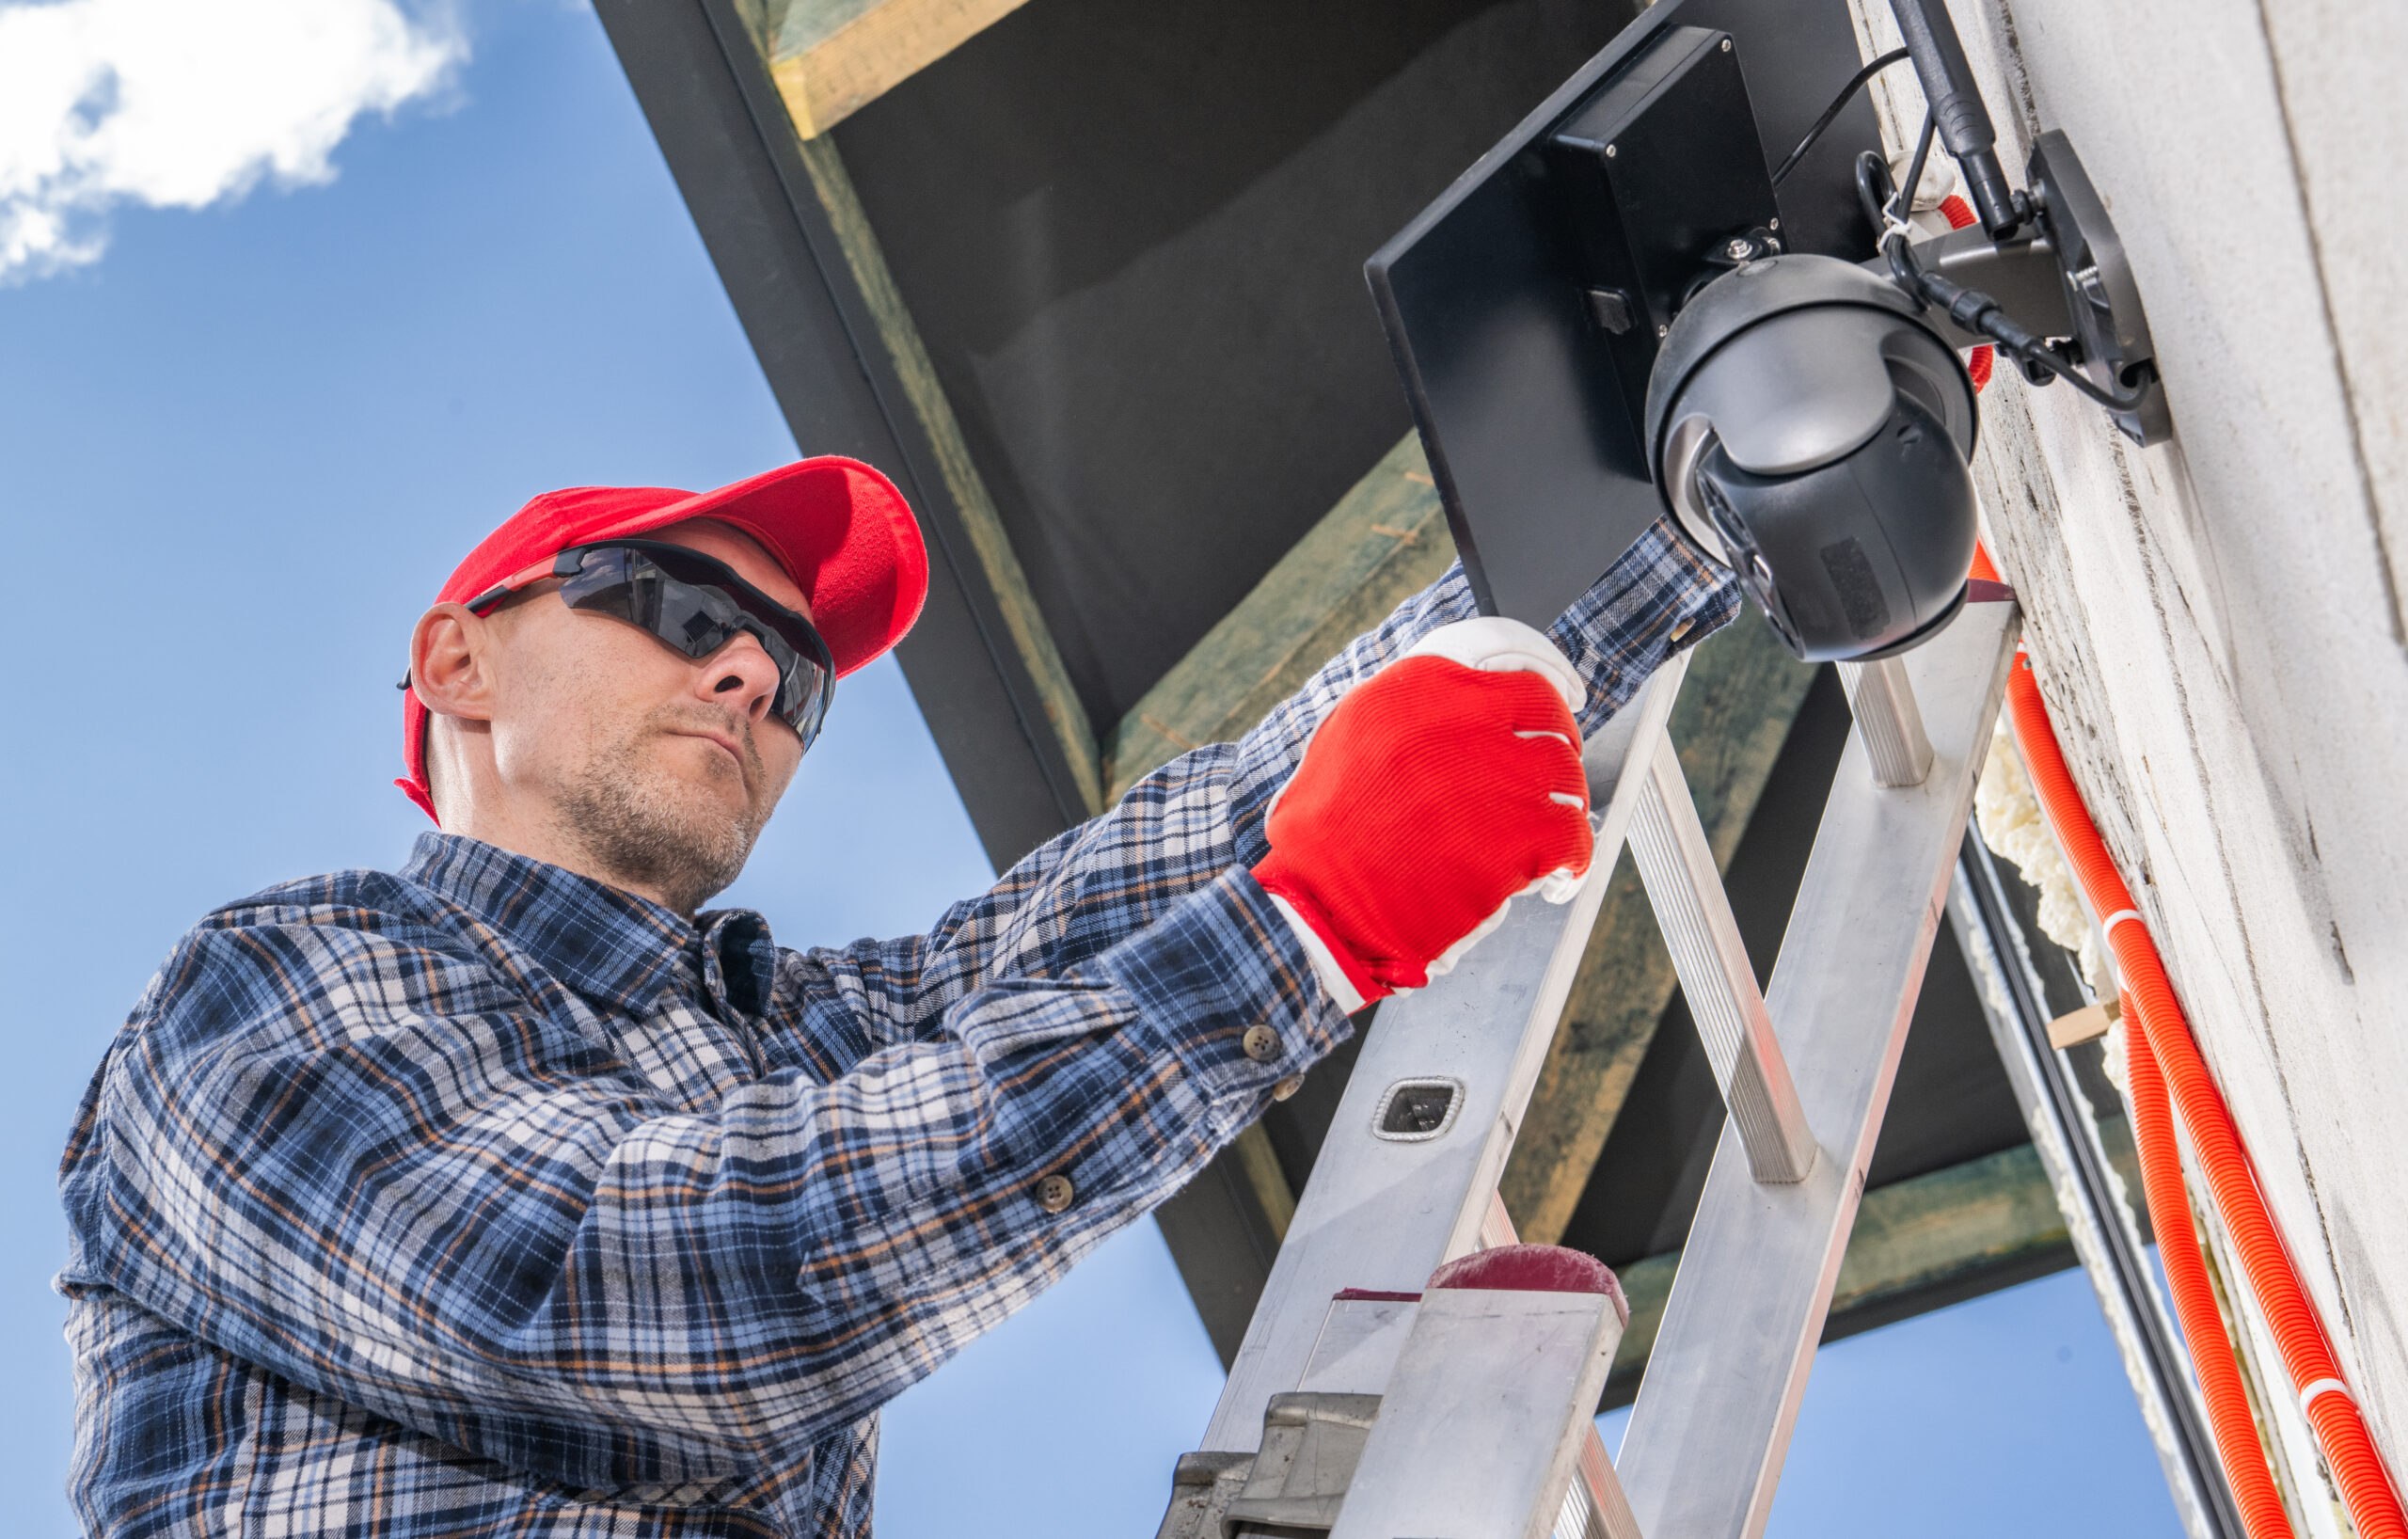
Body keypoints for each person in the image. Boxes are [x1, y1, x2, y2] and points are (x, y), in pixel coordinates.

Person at [58, 457, 1735, 1536]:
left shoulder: (793, 1042)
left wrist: (1729, 485)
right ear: (457, 665)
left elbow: (1186, 844)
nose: (750, 679)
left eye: (798, 681)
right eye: (680, 608)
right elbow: (643, 1288)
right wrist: (1300, 933)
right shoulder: (275, 988)